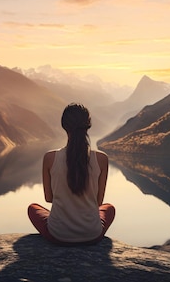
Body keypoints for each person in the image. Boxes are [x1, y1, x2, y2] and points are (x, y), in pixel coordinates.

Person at [28, 103, 115, 246]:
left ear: (64, 126)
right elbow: (98, 203)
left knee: (33, 208)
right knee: (109, 208)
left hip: (58, 235)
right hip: (92, 234)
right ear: (88, 125)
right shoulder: (101, 159)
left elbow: (49, 198)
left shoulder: (50, 158)